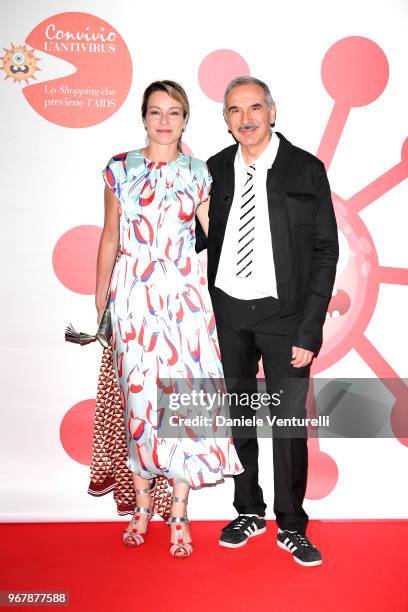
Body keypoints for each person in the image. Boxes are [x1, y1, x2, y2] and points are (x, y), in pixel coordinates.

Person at [95, 80, 243, 559]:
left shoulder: (200, 173)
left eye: (174, 112)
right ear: (143, 117)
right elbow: (109, 235)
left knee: (183, 406)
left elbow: (214, 237)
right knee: (140, 404)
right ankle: (141, 508)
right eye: (156, 111)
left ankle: (179, 512)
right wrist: (102, 302)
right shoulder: (121, 168)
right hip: (134, 297)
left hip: (184, 301)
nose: (164, 120)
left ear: (185, 119)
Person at [195, 76, 339, 566]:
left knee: (289, 425)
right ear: (227, 120)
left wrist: (309, 330)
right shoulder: (213, 169)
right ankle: (248, 509)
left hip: (287, 318)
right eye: (234, 110)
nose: (246, 118)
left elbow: (325, 253)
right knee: (238, 420)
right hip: (228, 314)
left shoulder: (305, 169)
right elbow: (201, 239)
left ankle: (292, 523)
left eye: (255, 107)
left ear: (272, 112)